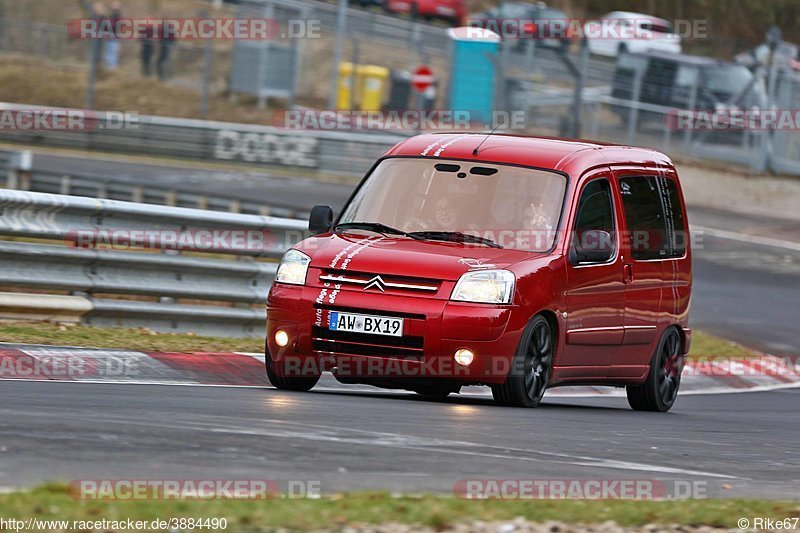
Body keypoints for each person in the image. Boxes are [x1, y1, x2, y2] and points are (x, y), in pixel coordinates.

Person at [103, 1, 122, 69]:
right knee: (108, 53)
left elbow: (115, 26)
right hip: (109, 37)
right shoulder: (111, 15)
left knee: (112, 53)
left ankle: (112, 68)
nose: (113, 6)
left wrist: (107, 23)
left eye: (116, 4)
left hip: (115, 37)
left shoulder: (118, 15)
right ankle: (109, 68)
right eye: (113, 4)